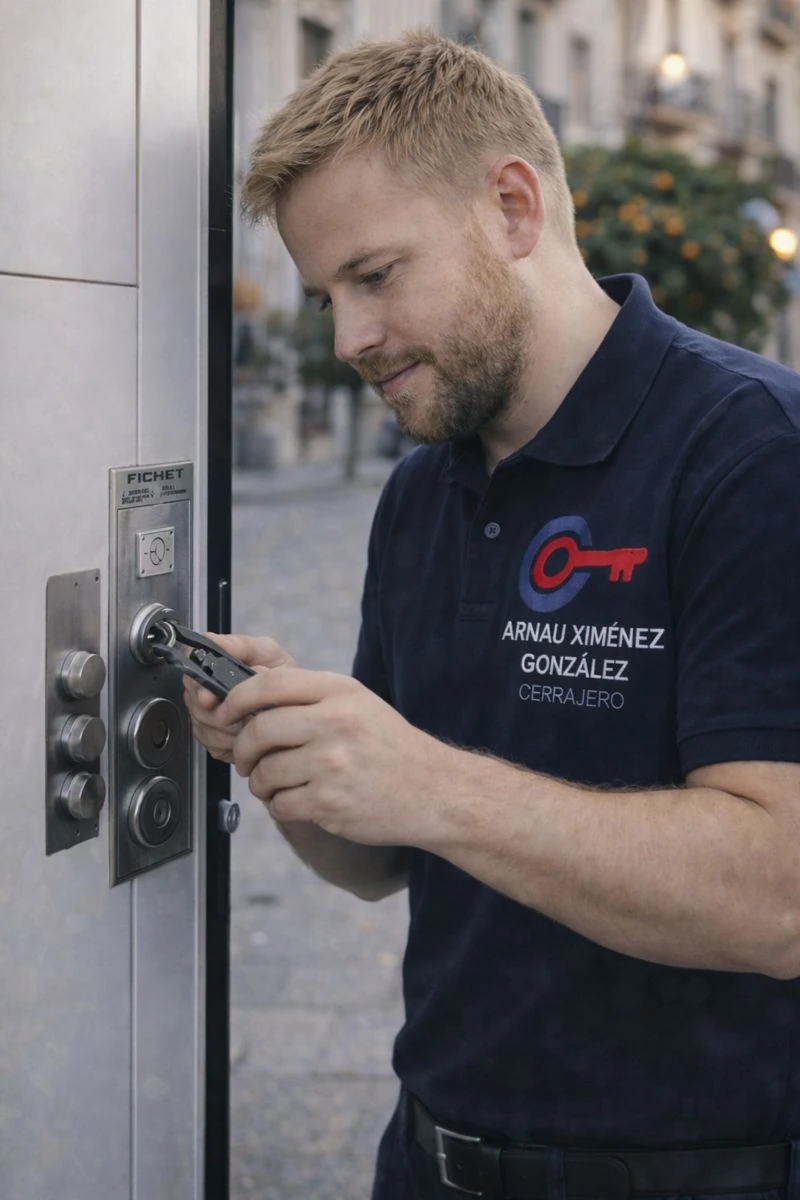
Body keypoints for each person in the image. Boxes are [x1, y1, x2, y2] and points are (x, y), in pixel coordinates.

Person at [186, 31, 800, 1200]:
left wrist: (428, 781)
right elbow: (381, 862)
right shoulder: (421, 486)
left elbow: (777, 897)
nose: (347, 340)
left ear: (512, 207)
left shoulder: (753, 453)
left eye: (374, 276)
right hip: (430, 1158)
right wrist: (292, 753)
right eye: (325, 298)